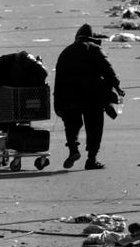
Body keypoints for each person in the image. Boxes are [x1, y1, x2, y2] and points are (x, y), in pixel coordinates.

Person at [53, 24, 124, 170]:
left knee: (71, 124)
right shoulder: (94, 49)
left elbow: (58, 80)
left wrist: (58, 102)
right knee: (94, 126)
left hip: (69, 96)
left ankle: (73, 149)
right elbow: (107, 69)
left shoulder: (65, 52)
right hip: (92, 96)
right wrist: (117, 86)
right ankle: (91, 159)